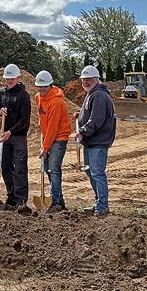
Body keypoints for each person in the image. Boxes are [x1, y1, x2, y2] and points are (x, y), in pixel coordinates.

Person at [73, 65, 116, 216]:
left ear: (96, 79)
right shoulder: (92, 94)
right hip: (92, 142)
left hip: (98, 142)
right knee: (92, 173)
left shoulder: (98, 95)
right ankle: (99, 202)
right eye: (83, 80)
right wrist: (80, 115)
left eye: (88, 79)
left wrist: (82, 132)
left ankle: (102, 206)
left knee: (97, 173)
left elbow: (96, 120)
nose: (85, 82)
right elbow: (91, 115)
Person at [34, 70, 71, 213]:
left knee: (54, 170)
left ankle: (55, 203)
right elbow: (42, 119)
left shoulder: (56, 102)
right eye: (39, 86)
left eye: (44, 87)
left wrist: (45, 147)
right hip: (47, 136)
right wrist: (43, 138)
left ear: (50, 85)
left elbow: (53, 127)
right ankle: (60, 201)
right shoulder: (38, 97)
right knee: (48, 170)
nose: (42, 89)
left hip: (59, 138)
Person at [0, 64, 31, 211]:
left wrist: (11, 131)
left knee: (20, 168)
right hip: (5, 135)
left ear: (18, 78)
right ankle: (11, 195)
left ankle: (21, 199)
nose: (9, 81)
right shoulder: (1, 93)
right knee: (4, 166)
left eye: (11, 78)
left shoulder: (23, 96)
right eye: (7, 78)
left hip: (18, 136)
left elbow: (25, 119)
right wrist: (0, 111)